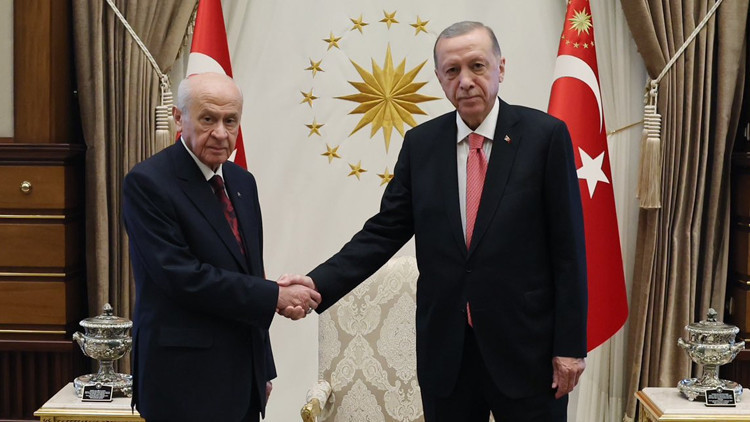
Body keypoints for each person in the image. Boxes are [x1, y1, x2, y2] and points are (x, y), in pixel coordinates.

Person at [280, 21, 587, 421]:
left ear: (500, 68)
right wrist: (316, 284)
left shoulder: (544, 137)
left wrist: (570, 346)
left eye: (477, 66)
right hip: (447, 354)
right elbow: (382, 232)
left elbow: (569, 250)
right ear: (440, 78)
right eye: (452, 70)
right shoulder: (421, 145)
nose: (466, 81)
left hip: (527, 351)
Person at [123, 72, 321, 422]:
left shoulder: (242, 181)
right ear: (179, 118)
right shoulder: (148, 183)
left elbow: (249, 272)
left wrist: (262, 367)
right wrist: (274, 296)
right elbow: (183, 277)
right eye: (208, 119)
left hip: (241, 381)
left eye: (230, 121)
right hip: (181, 384)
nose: (220, 132)